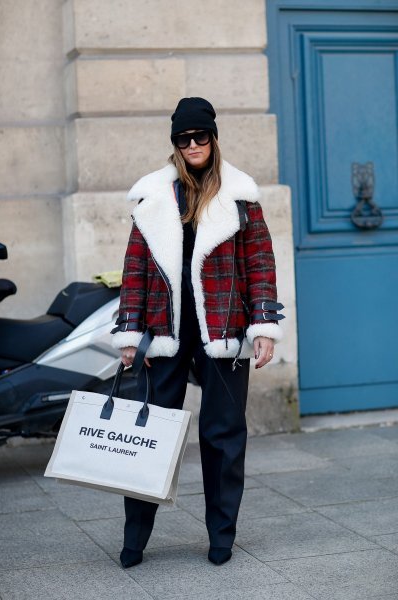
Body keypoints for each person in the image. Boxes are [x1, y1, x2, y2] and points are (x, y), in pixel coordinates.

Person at [110, 97, 285, 568]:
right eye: (183, 139)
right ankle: (134, 540)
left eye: (200, 137)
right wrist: (130, 336)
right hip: (164, 332)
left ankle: (222, 536)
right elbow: (135, 271)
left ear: (213, 138)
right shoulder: (153, 197)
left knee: (223, 435)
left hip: (223, 329)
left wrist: (263, 324)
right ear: (175, 143)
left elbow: (260, 264)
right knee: (147, 436)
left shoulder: (239, 193)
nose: (192, 145)